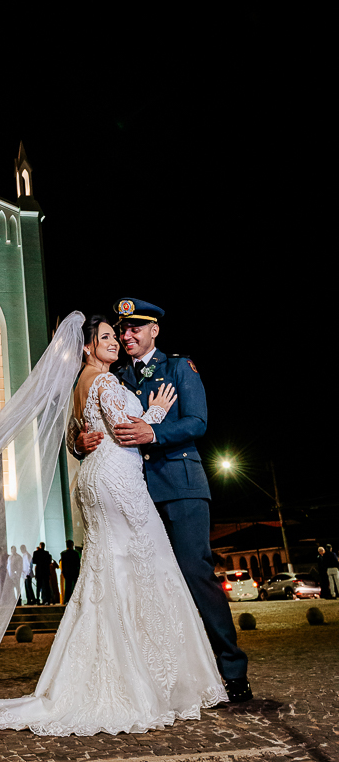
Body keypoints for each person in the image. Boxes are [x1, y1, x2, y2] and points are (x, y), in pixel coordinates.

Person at [0, 315, 227, 736]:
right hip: (117, 480)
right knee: (145, 567)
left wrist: (82, 436)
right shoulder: (105, 379)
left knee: (112, 570)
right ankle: (147, 677)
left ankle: (140, 665)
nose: (119, 341)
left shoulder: (120, 375)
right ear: (88, 347)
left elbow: (93, 423)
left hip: (109, 480)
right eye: (108, 336)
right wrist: (155, 412)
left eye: (121, 335)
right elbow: (122, 430)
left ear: (153, 331)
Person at [72, 297, 251, 706]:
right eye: (122, 329)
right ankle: (168, 674)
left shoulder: (177, 368)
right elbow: (89, 422)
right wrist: (79, 442)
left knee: (194, 574)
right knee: (150, 584)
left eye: (135, 328)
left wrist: (154, 433)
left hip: (180, 487)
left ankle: (232, 669)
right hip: (135, 495)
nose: (127, 335)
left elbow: (197, 421)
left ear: (154, 331)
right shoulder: (112, 375)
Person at [59, 540, 80, 605]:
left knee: (67, 587)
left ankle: (67, 600)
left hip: (67, 572)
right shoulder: (75, 553)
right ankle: (75, 599)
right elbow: (78, 564)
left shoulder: (63, 553)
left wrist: (63, 572)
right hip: (74, 572)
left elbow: (63, 564)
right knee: (74, 587)